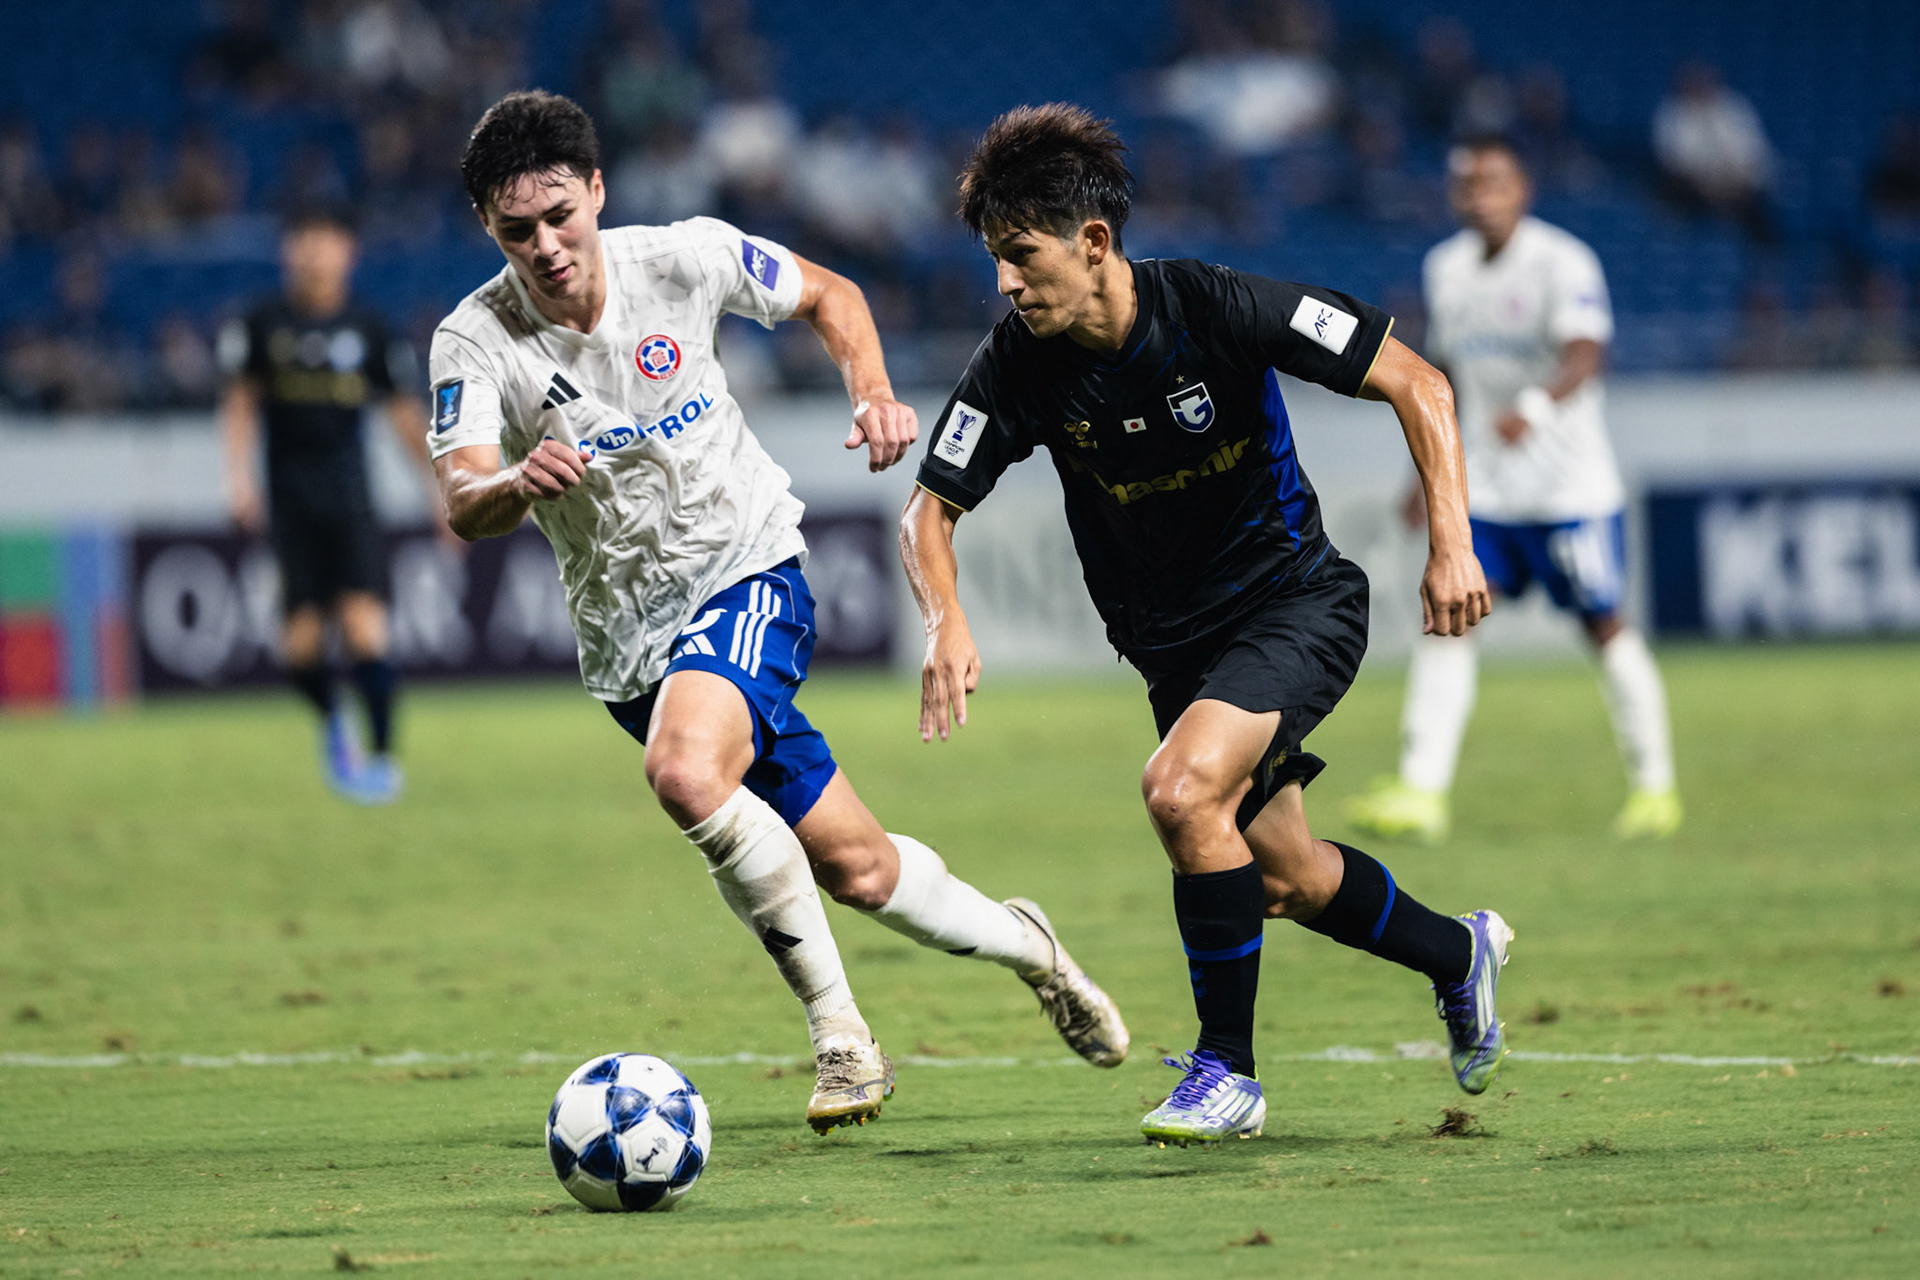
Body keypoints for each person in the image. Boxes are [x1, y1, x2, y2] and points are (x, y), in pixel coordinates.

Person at [427, 91, 1127, 1134]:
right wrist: (515, 483)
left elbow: (831, 295)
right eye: (517, 229)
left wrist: (872, 391)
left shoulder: (685, 258)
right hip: (629, 643)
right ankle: (1035, 947)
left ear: (598, 191)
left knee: (683, 772)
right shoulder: (474, 340)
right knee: (860, 868)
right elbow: (462, 498)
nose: (547, 246)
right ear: (488, 226)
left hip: (745, 566)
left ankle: (842, 1036)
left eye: (561, 215)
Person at [900, 103, 1508, 1147]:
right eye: (993, 257)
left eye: (1021, 254)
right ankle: (1459, 954)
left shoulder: (1217, 305)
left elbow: (1420, 382)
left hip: (1294, 602)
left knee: (1180, 792)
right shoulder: (1017, 363)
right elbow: (929, 509)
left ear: (1094, 241)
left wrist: (1451, 543)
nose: (1004, 281)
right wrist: (943, 617)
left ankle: (1228, 1072)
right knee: (1283, 874)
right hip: (1176, 651)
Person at [1345, 136, 1680, 844]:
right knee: (1449, 618)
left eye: (1493, 182)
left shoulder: (1563, 261)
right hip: (1488, 491)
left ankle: (1655, 787)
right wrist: (1422, 477)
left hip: (1568, 491)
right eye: (1467, 185)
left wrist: (1534, 407)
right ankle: (1422, 790)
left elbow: (1586, 354)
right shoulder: (1446, 268)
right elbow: (1441, 381)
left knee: (1604, 625)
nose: (1480, 197)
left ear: (1522, 188)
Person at [219, 204, 437, 804]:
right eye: (304, 240)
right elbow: (239, 404)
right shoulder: (261, 323)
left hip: (351, 501)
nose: (315, 252)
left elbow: (402, 414)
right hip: (289, 506)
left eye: (327, 241)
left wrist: (439, 492)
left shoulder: (369, 327)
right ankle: (333, 720)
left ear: (349, 252)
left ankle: (384, 761)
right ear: (287, 251)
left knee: (365, 630)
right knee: (300, 648)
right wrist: (237, 480)